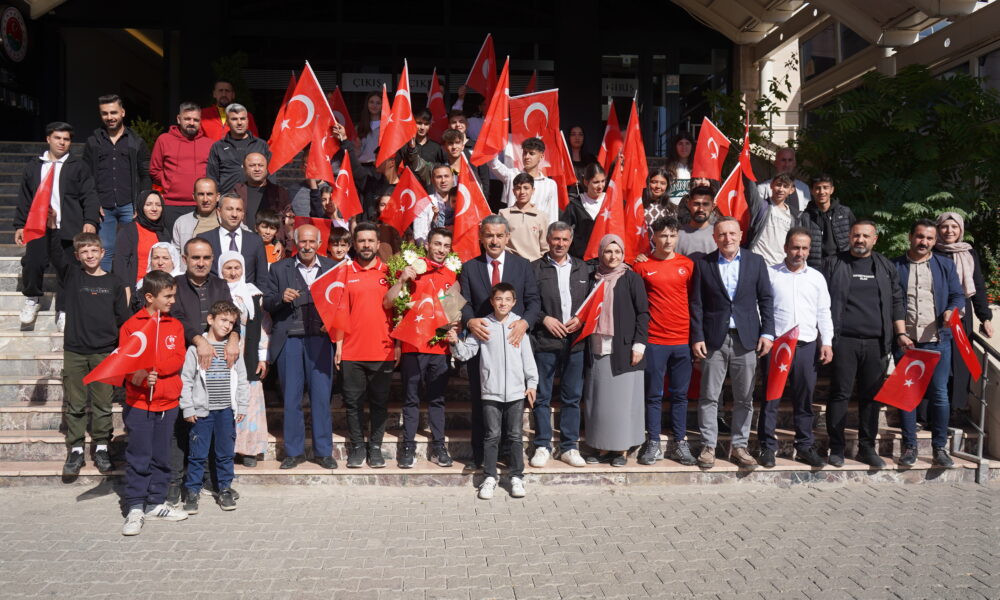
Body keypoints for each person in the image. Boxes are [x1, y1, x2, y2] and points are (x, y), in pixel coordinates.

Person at [690, 217, 775, 469]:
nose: (727, 238)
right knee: (709, 396)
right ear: (714, 238)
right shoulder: (704, 264)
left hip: (746, 339)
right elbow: (696, 304)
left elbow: (766, 299)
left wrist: (768, 333)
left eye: (732, 233)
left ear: (740, 234)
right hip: (713, 340)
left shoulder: (756, 262)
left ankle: (740, 447)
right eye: (722, 234)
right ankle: (708, 446)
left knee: (744, 397)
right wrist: (697, 336)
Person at [821, 221, 908, 468]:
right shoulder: (833, 263)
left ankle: (867, 448)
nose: (860, 240)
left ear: (875, 239)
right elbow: (820, 301)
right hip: (844, 341)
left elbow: (897, 301)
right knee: (840, 394)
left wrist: (901, 333)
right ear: (849, 237)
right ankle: (837, 447)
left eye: (865, 236)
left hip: (877, 343)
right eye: (856, 235)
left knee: (871, 397)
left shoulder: (885, 266)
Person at [459, 215, 541, 468]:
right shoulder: (469, 267)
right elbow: (464, 303)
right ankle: (481, 457)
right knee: (481, 402)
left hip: (514, 344)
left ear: (507, 237)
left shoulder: (522, 265)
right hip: (482, 345)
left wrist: (525, 323)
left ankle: (508, 454)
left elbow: (534, 301)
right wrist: (470, 321)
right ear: (481, 237)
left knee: (512, 404)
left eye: (499, 235)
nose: (494, 241)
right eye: (489, 235)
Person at [166, 237, 240, 504]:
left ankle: (215, 481)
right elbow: (176, 318)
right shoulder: (175, 285)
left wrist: (234, 338)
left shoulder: (220, 284)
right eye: (195, 257)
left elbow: (232, 316)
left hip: (216, 364)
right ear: (185, 259)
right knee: (183, 422)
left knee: (214, 427)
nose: (201, 262)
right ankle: (177, 481)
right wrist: (200, 341)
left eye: (206, 258)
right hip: (182, 359)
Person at [450, 283, 538, 499]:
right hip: (490, 391)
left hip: (516, 392)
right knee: (491, 435)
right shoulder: (484, 325)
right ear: (492, 301)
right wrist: (455, 343)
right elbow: (466, 353)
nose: (503, 303)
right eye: (499, 299)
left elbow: (528, 358)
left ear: (514, 302)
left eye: (507, 299)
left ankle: (516, 476)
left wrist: (532, 383)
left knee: (515, 435)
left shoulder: (518, 325)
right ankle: (490, 477)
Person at [261, 224, 338, 470]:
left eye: (311, 241)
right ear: (295, 243)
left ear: (319, 244)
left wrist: (333, 324)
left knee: (321, 397)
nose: (307, 246)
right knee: (291, 397)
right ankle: (294, 452)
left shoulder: (332, 267)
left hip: (320, 340)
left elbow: (340, 302)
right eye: (302, 241)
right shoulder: (279, 268)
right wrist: (280, 298)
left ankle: (323, 452)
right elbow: (267, 302)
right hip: (290, 340)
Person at [120, 270, 190, 536]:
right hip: (139, 403)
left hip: (167, 401)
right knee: (139, 456)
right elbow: (125, 362)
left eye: (173, 295)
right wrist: (139, 375)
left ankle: (156, 502)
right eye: (167, 296)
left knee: (162, 456)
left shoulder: (175, 325)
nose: (172, 300)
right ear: (150, 297)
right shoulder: (131, 325)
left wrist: (156, 369)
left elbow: (178, 357)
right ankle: (135, 506)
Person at [15, 121, 100, 332]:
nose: (62, 142)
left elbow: (89, 195)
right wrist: (20, 225)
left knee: (67, 268)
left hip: (68, 227)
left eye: (66, 139)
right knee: (33, 262)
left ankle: (64, 310)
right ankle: (32, 298)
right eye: (57, 138)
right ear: (48, 139)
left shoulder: (78, 166)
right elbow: (25, 198)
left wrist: (90, 221)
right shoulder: (34, 167)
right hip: (38, 226)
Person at [384, 227, 459, 468]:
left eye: (446, 246)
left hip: (439, 348)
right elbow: (388, 302)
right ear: (427, 244)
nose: (441, 250)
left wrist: (455, 319)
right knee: (411, 399)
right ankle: (408, 446)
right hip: (413, 346)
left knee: (437, 400)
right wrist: (402, 279)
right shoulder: (411, 268)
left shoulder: (452, 274)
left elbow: (453, 313)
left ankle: (439, 446)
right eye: (437, 244)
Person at [892, 219, 965, 467]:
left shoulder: (945, 265)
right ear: (910, 237)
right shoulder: (895, 266)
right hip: (906, 342)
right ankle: (909, 447)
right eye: (920, 236)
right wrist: (899, 333)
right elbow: (891, 302)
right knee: (907, 395)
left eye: (929, 238)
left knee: (940, 395)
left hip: (938, 341)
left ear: (935, 241)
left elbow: (957, 295)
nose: (924, 242)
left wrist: (952, 310)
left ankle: (939, 448)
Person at [757, 228, 832, 469]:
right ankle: (767, 447)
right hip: (777, 346)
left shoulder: (816, 278)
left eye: (804, 248)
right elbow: (761, 308)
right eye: (795, 247)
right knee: (771, 398)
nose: (800, 253)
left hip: (806, 346)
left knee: (804, 399)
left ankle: (804, 446)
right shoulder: (770, 274)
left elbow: (824, 312)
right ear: (786, 248)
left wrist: (827, 342)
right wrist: (765, 336)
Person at [575, 234, 648, 466]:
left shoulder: (631, 278)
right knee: (600, 404)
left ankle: (621, 450)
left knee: (622, 404)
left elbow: (643, 313)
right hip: (596, 347)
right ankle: (601, 447)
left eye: (617, 252)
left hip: (624, 350)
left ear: (624, 254)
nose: (613, 256)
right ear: (600, 253)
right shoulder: (592, 278)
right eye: (608, 251)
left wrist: (639, 344)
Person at [60, 233, 129, 476]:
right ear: (77, 256)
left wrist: (122, 351)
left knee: (102, 404)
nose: (89, 255)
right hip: (75, 351)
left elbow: (123, 319)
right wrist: (52, 227)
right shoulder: (72, 276)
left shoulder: (114, 282)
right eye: (84, 252)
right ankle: (76, 449)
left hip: (104, 353)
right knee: (76, 403)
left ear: (102, 253)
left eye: (93, 250)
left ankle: (101, 447)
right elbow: (56, 254)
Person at [528, 222, 593, 468]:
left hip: (575, 343)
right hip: (545, 342)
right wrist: (544, 319)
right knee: (542, 397)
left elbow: (592, 301)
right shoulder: (534, 268)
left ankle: (569, 447)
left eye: (565, 239)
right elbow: (527, 302)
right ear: (548, 240)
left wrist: (581, 319)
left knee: (572, 397)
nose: (560, 244)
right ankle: (542, 445)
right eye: (556, 239)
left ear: (571, 241)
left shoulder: (582, 268)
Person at [634, 217, 697, 466]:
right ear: (654, 237)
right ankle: (653, 442)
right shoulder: (642, 266)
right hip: (654, 340)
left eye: (672, 235)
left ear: (678, 237)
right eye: (663, 235)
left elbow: (694, 301)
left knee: (680, 395)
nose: (668, 240)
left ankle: (680, 442)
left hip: (682, 340)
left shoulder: (688, 265)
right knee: (653, 395)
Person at [180, 300, 249, 513]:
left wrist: (242, 405)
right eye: (223, 320)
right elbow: (186, 380)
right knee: (197, 454)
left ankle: (225, 488)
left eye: (231, 322)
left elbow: (242, 379)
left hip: (226, 411)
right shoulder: (195, 350)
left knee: (225, 453)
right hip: (202, 412)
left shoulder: (233, 350)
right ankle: (193, 490)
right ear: (210, 319)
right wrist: (188, 407)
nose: (227, 325)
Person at [337, 223, 395, 468]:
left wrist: (398, 345)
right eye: (361, 241)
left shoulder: (390, 272)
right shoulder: (344, 271)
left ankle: (376, 447)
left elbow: (399, 312)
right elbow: (340, 310)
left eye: (371, 241)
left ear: (378, 244)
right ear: (354, 244)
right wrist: (339, 345)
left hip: (383, 349)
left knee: (380, 403)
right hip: (352, 351)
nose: (366, 245)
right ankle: (358, 447)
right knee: (353, 404)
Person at [934, 212, 995, 421]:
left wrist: (985, 317)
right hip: (936, 313)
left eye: (954, 227)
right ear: (938, 229)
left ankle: (954, 409)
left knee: (959, 363)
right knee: (936, 361)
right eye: (944, 226)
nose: (949, 231)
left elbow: (977, 285)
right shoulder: (931, 251)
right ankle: (929, 413)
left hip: (961, 314)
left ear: (961, 230)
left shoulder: (969, 252)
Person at [82, 94, 151, 270]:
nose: (109, 117)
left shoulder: (136, 141)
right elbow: (87, 177)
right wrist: (93, 203)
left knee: (132, 249)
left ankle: (129, 285)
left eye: (113, 112)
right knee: (105, 250)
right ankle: (106, 285)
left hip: (130, 205)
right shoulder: (93, 142)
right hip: (103, 207)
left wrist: (141, 203)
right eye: (105, 113)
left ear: (122, 112)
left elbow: (145, 175)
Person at [218, 252, 270, 468]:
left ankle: (249, 449)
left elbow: (261, 327)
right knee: (225, 399)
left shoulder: (253, 294)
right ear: (220, 270)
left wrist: (262, 356)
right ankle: (226, 449)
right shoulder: (215, 291)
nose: (233, 273)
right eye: (228, 268)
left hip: (248, 353)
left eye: (237, 268)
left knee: (249, 399)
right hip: (222, 353)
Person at [149, 102, 214, 230]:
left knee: (200, 242)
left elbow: (213, 173)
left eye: (196, 120)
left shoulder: (209, 144)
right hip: (171, 205)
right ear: (179, 119)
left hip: (201, 205)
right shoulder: (164, 140)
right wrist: (168, 183)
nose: (191, 123)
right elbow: (154, 170)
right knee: (172, 242)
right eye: (187, 119)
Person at [196, 192, 269, 286]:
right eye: (229, 209)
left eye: (238, 210)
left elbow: (263, 279)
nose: (234, 214)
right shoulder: (204, 239)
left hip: (246, 294)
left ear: (243, 214)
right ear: (219, 212)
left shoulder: (255, 241)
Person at [489, 137, 560, 225]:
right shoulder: (512, 175)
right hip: (513, 229)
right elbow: (493, 163)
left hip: (538, 231)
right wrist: (494, 138)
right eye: (525, 153)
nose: (527, 157)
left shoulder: (550, 184)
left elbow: (553, 217)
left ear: (541, 156)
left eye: (531, 153)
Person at [112, 190, 171, 291]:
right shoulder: (129, 230)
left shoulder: (164, 232)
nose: (154, 209)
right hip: (135, 289)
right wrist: (126, 288)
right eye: (148, 204)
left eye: (158, 205)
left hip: (160, 289)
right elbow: (120, 263)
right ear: (140, 207)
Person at [206, 104, 271, 194]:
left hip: (256, 197)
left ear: (247, 121)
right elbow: (212, 177)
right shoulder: (218, 147)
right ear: (227, 122)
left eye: (242, 119)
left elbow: (270, 173)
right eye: (234, 119)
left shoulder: (261, 145)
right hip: (227, 198)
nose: (239, 123)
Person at [746, 173, 808, 266]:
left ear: (791, 190)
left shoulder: (794, 216)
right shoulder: (761, 206)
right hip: (757, 263)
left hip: (780, 266)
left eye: (785, 186)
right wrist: (745, 167)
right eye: (778, 185)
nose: (781, 189)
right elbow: (750, 188)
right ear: (771, 185)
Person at [802, 174, 855, 268]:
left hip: (843, 264)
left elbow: (855, 237)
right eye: (817, 188)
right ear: (811, 191)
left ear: (832, 190)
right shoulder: (805, 217)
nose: (822, 192)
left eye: (825, 187)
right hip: (815, 266)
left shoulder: (845, 212)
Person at [498, 173, 549, 261]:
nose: (522, 192)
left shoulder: (541, 216)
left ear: (533, 190)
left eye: (526, 188)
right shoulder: (504, 214)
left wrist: (540, 263)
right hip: (511, 262)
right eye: (518, 188)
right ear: (513, 191)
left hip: (534, 264)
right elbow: (500, 241)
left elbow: (545, 247)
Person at [560, 163, 604, 259]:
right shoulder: (575, 205)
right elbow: (562, 230)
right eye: (596, 182)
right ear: (586, 182)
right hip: (582, 260)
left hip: (607, 258)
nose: (600, 186)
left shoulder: (610, 202)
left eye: (603, 181)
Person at [233, 152, 289, 225]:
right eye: (252, 165)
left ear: (267, 168)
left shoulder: (279, 192)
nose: (257, 169)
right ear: (244, 168)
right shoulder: (237, 191)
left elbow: (287, 219)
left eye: (261, 165)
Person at [172, 177, 221, 253]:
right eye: (201, 194)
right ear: (194, 196)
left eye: (209, 194)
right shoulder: (182, 222)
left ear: (217, 197)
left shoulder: (227, 221)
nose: (205, 199)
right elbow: (174, 254)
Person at [132, 242, 183, 311]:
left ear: (173, 260)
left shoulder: (182, 281)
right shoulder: (142, 283)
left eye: (165, 258)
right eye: (156, 258)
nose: (160, 263)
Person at [412, 164, 455, 245]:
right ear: (432, 180)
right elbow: (419, 235)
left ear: (453, 178)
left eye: (446, 176)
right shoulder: (423, 203)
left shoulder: (463, 200)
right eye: (439, 177)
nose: (443, 180)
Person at [354, 91, 382, 201]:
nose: (374, 105)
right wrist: (357, 147)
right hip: (362, 171)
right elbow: (355, 155)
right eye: (371, 102)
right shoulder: (359, 127)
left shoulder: (387, 126)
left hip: (379, 171)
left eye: (378, 103)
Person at [676, 186, 718, 257]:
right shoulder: (676, 235)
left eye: (705, 204)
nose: (701, 209)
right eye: (696, 204)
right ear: (689, 204)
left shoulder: (720, 234)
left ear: (713, 206)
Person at [665, 132, 694, 202]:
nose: (684, 147)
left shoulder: (698, 169)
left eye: (687, 143)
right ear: (675, 147)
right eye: (680, 144)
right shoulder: (666, 169)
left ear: (692, 146)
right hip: (671, 207)